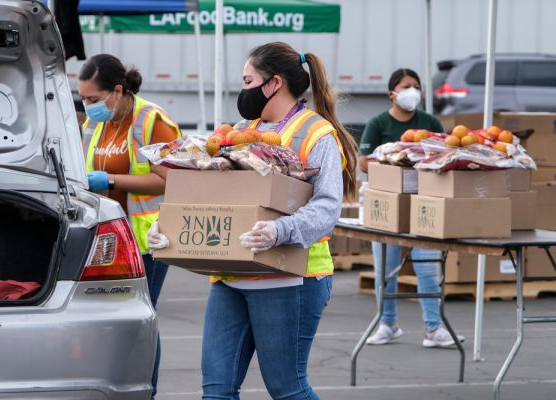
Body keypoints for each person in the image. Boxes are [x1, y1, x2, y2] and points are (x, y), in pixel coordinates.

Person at [148, 41, 358, 399]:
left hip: (293, 276)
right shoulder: (242, 130)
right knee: (216, 390)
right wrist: (169, 226)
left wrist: (281, 230)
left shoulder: (317, 133)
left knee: (287, 388)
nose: (242, 89)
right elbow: (217, 193)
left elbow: (327, 207)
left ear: (274, 82)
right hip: (233, 273)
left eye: (247, 80)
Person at [78, 54, 181, 398]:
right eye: (83, 98)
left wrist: (111, 180)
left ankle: (145, 391)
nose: (87, 105)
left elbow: (172, 180)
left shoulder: (152, 120)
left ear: (117, 91)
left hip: (149, 239)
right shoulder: (95, 123)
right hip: (108, 238)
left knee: (141, 322)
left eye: (93, 99)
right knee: (112, 323)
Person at [358, 68, 464, 347]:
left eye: (416, 86)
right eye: (406, 86)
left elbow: (444, 154)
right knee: (386, 268)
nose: (412, 91)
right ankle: (387, 323)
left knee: (428, 267)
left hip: (423, 203)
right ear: (392, 93)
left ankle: (434, 328)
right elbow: (364, 161)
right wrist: (396, 161)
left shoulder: (429, 122)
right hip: (389, 205)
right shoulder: (378, 123)